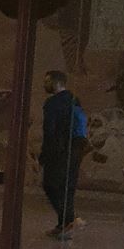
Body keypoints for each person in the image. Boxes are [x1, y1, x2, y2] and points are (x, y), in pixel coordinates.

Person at [39, 69, 87, 237]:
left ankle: (69, 219)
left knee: (50, 185)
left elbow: (49, 131)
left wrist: (44, 155)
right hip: (77, 147)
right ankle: (63, 226)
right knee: (68, 187)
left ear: (57, 83)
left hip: (58, 150)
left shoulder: (52, 103)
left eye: (47, 81)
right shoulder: (74, 99)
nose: (45, 84)